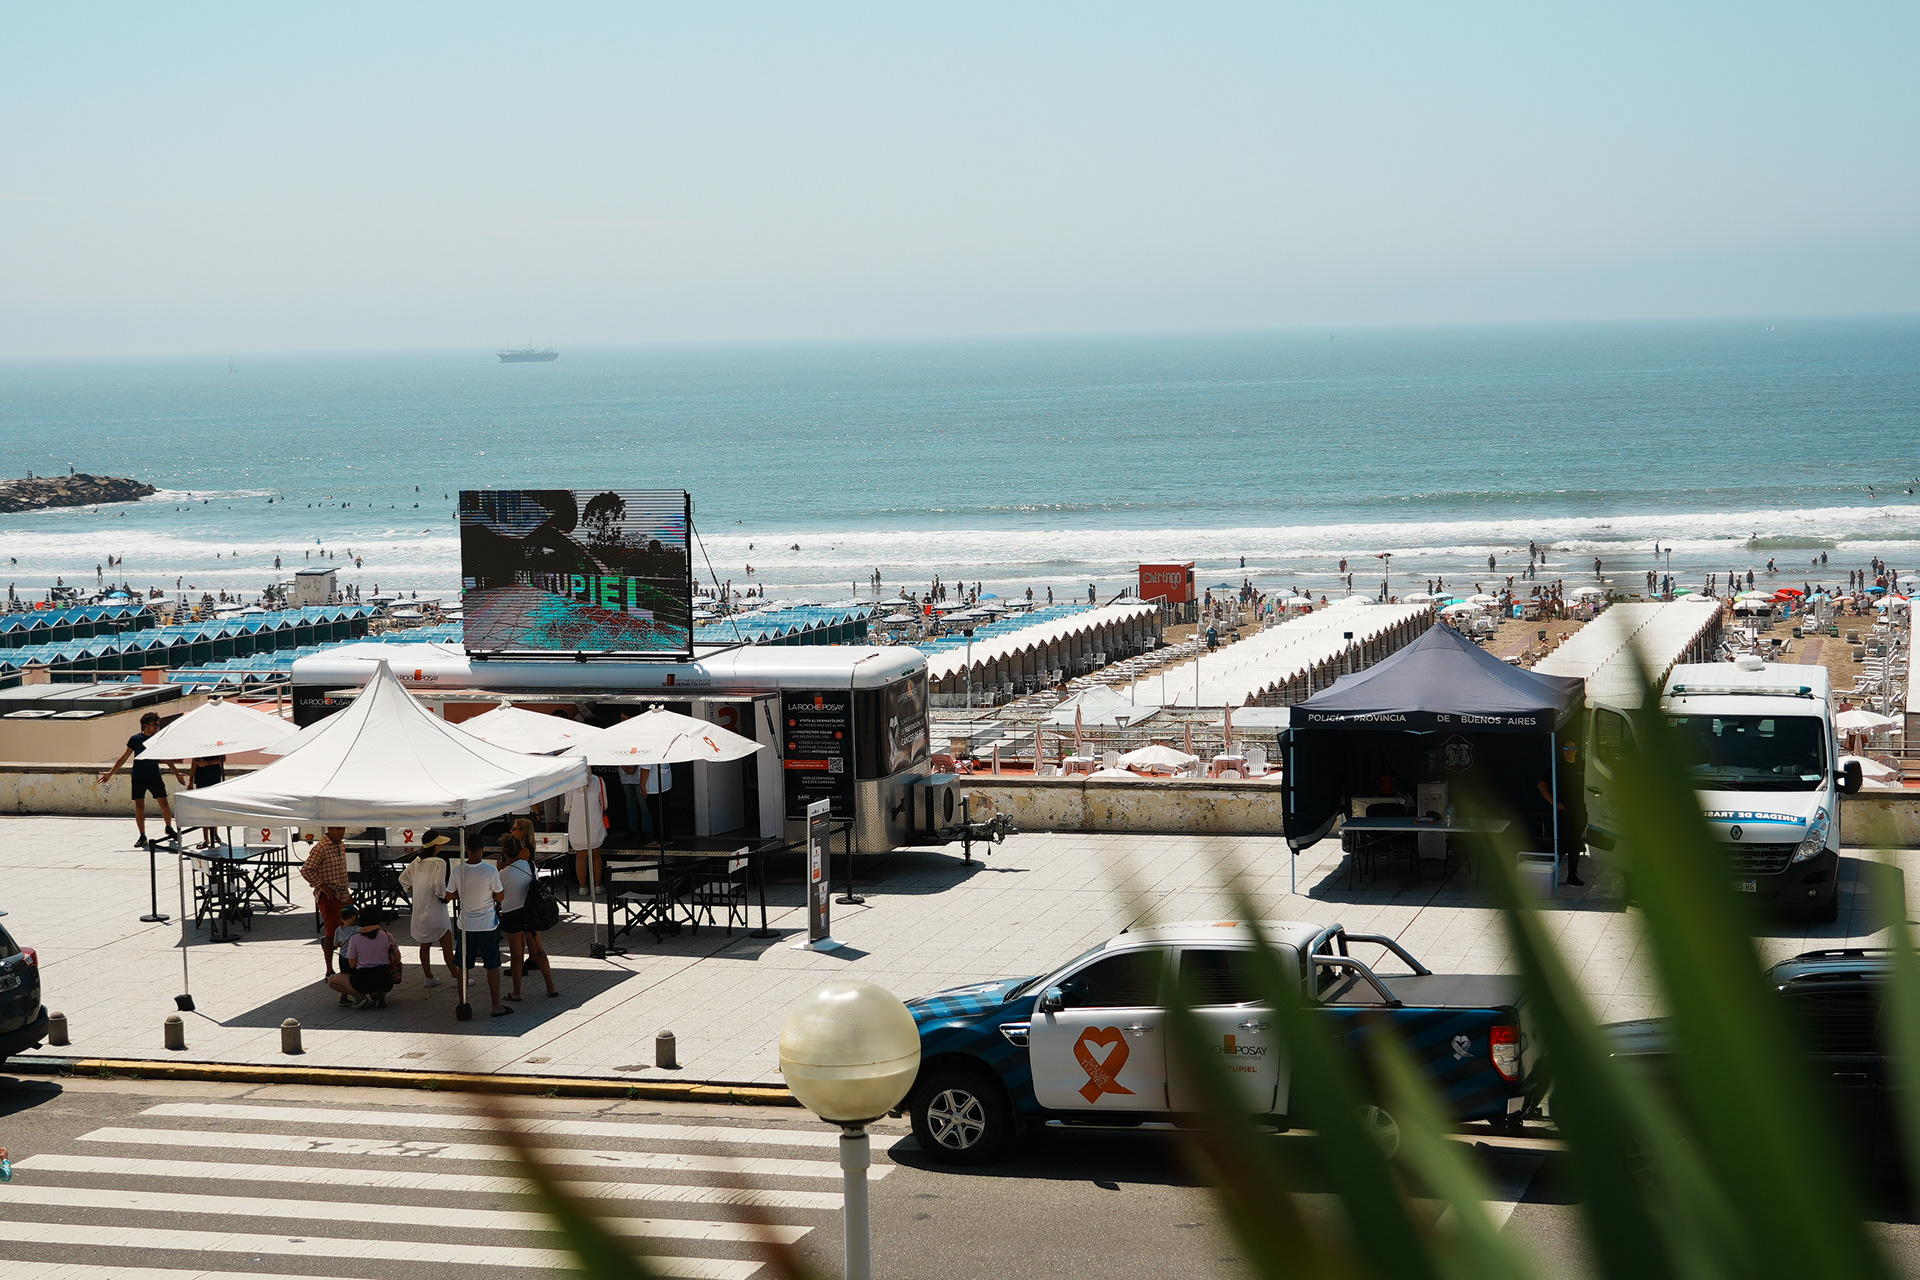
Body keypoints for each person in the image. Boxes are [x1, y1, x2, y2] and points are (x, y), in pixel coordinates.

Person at [445, 836, 511, 1016]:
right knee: (492, 965)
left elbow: (449, 895)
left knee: (463, 966)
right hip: (487, 924)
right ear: (482, 849)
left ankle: (463, 1004)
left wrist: (462, 894)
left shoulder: (458, 870)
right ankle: (496, 1005)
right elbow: (500, 896)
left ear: (466, 849)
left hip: (466, 925)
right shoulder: (490, 870)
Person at [97, 711, 182, 849]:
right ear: (146, 725)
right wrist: (110, 773)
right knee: (140, 807)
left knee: (164, 805)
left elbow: (166, 758)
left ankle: (168, 827)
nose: (157, 727)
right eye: (154, 724)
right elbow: (124, 757)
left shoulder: (157, 738)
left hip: (154, 776)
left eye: (158, 724)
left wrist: (177, 773)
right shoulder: (135, 739)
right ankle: (142, 836)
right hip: (139, 777)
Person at [498, 834, 560, 1001]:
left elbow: (498, 894)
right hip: (531, 910)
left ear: (505, 853)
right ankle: (551, 986)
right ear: (520, 850)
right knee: (538, 950)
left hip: (512, 913)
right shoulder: (530, 865)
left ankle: (516, 992)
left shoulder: (503, 874)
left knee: (516, 954)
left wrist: (500, 869)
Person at [398, 831, 455, 986]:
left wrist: (412, 887)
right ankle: (456, 977)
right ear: (435, 845)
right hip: (436, 908)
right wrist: (444, 896)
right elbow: (440, 885)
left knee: (425, 944)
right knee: (446, 944)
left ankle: (428, 977)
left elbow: (402, 879)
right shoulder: (439, 863)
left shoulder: (416, 862)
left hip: (420, 909)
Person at [300, 826, 353, 976]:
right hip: (329, 896)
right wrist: (322, 886)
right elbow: (306, 870)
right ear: (330, 829)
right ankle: (329, 969)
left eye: (343, 829)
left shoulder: (341, 845)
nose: (342, 832)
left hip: (343, 893)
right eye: (338, 829)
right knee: (331, 931)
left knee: (351, 926)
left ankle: (350, 964)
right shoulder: (321, 848)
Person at [1536, 738, 1587, 886]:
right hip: (1563, 810)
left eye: (1572, 748)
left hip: (1579, 809)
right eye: (1566, 748)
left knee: (1575, 843)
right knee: (1560, 843)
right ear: (1562, 751)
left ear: (1576, 750)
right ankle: (1552, 875)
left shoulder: (1583, 766)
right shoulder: (1557, 767)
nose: (1569, 751)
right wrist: (1553, 802)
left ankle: (1572, 875)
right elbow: (1541, 784)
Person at [326, 909, 401, 1009]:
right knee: (377, 984)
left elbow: (352, 964)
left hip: (364, 979)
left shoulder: (355, 938)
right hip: (386, 978)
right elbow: (397, 957)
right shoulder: (387, 935)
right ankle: (378, 993)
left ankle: (359, 996)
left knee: (332, 980)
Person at [185, 754, 226, 849]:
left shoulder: (218, 746)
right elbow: (194, 762)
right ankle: (205, 838)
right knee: (203, 809)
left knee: (214, 808)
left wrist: (207, 763)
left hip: (214, 778)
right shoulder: (198, 746)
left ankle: (215, 833)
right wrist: (190, 781)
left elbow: (223, 759)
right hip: (201, 778)